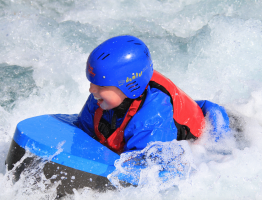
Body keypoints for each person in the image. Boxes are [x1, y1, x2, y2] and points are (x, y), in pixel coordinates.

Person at [75, 35, 224, 154]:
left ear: (128, 86)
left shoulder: (151, 120)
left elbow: (146, 172)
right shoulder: (102, 97)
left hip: (209, 136)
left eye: (101, 85)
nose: (91, 90)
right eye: (92, 82)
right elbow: (81, 131)